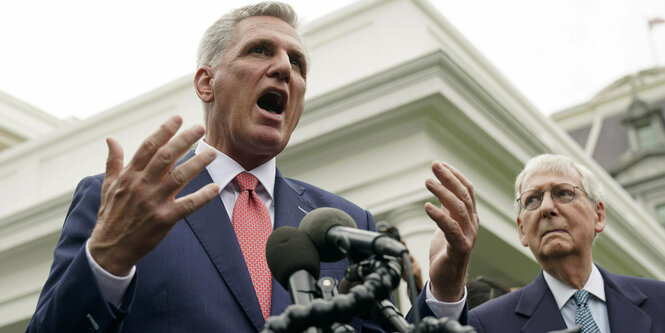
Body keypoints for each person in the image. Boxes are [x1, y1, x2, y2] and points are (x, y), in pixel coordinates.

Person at [26, 2, 382, 332]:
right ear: (206, 83)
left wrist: (439, 295)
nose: (284, 69)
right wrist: (105, 262)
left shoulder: (346, 226)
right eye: (259, 50)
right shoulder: (120, 203)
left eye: (297, 63)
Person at [409, 154, 665, 332]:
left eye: (563, 193)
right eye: (532, 200)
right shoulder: (486, 324)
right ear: (521, 230)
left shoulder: (659, 300)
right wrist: (445, 288)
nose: (546, 208)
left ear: (598, 215)